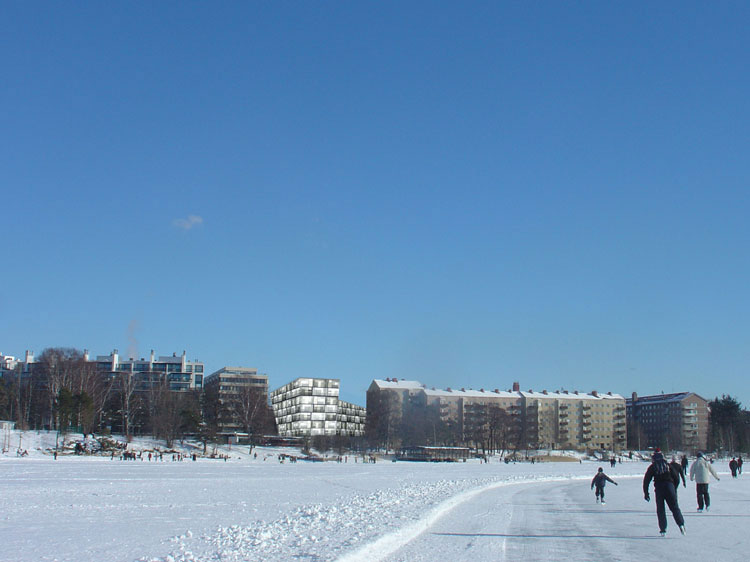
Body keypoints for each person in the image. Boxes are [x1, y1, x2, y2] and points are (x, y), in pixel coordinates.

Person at [643, 449, 685, 536]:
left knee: (661, 510)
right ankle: (681, 524)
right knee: (674, 507)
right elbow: (676, 477)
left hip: (659, 489)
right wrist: (674, 488)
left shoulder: (652, 467)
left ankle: (663, 530)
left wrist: (646, 493)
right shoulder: (668, 465)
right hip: (669, 487)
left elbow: (646, 480)